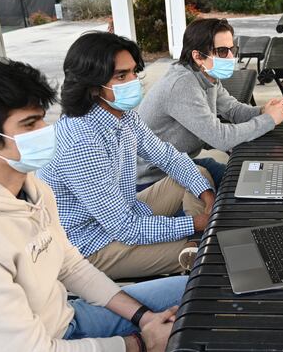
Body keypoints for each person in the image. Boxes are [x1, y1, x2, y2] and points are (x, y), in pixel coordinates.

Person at [0, 60, 188, 352]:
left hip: (65, 320)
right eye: (30, 124)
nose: (46, 131)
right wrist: (140, 344)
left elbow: (71, 265)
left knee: (196, 291)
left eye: (43, 119)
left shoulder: (28, 185)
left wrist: (143, 317)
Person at [37, 31, 215, 279]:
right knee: (204, 255)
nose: (133, 80)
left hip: (122, 215)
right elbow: (124, 227)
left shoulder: (123, 115)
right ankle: (193, 246)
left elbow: (167, 157)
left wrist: (207, 198)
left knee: (197, 174)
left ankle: (196, 239)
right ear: (92, 86)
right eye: (121, 76)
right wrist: (197, 222)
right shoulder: (81, 142)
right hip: (87, 246)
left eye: (133, 72)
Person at [137, 18, 283, 190]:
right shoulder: (182, 85)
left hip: (181, 164)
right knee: (231, 197)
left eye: (232, 49)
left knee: (239, 180)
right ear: (198, 57)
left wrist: (263, 110)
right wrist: (268, 120)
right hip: (154, 179)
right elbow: (221, 138)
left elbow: (233, 109)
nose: (232, 56)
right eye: (222, 51)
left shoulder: (207, 76)